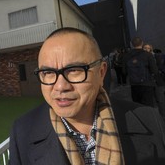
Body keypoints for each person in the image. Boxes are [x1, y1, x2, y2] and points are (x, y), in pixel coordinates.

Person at [9, 27, 165, 165]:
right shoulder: (23, 131)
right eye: (48, 73)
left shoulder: (150, 120)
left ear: (101, 72)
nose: (60, 86)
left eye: (74, 70)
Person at [123, 37, 158, 107]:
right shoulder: (148, 55)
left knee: (137, 106)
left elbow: (124, 72)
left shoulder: (126, 56)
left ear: (132, 45)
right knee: (149, 106)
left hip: (134, 85)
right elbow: (154, 70)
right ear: (142, 43)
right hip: (147, 85)